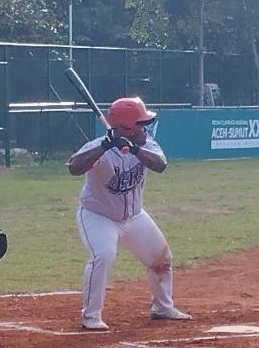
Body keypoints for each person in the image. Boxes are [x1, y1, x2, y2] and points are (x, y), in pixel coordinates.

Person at [66, 97, 191, 330]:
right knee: (103, 255)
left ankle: (162, 308)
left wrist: (133, 149)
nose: (145, 128)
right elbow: (74, 167)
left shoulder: (146, 144)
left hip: (134, 216)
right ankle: (91, 317)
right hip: (98, 216)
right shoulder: (100, 147)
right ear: (125, 127)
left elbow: (160, 165)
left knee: (161, 258)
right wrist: (104, 146)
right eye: (140, 123)